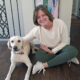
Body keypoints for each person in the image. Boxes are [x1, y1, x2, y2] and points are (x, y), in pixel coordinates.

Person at [23, 5, 79, 74]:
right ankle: (65, 58)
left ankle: (42, 65)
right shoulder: (36, 30)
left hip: (61, 47)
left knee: (73, 51)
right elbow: (24, 39)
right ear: (36, 20)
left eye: (43, 15)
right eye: (38, 17)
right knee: (39, 56)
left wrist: (52, 51)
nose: (42, 18)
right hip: (47, 49)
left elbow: (65, 42)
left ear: (48, 15)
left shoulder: (60, 23)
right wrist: (12, 43)